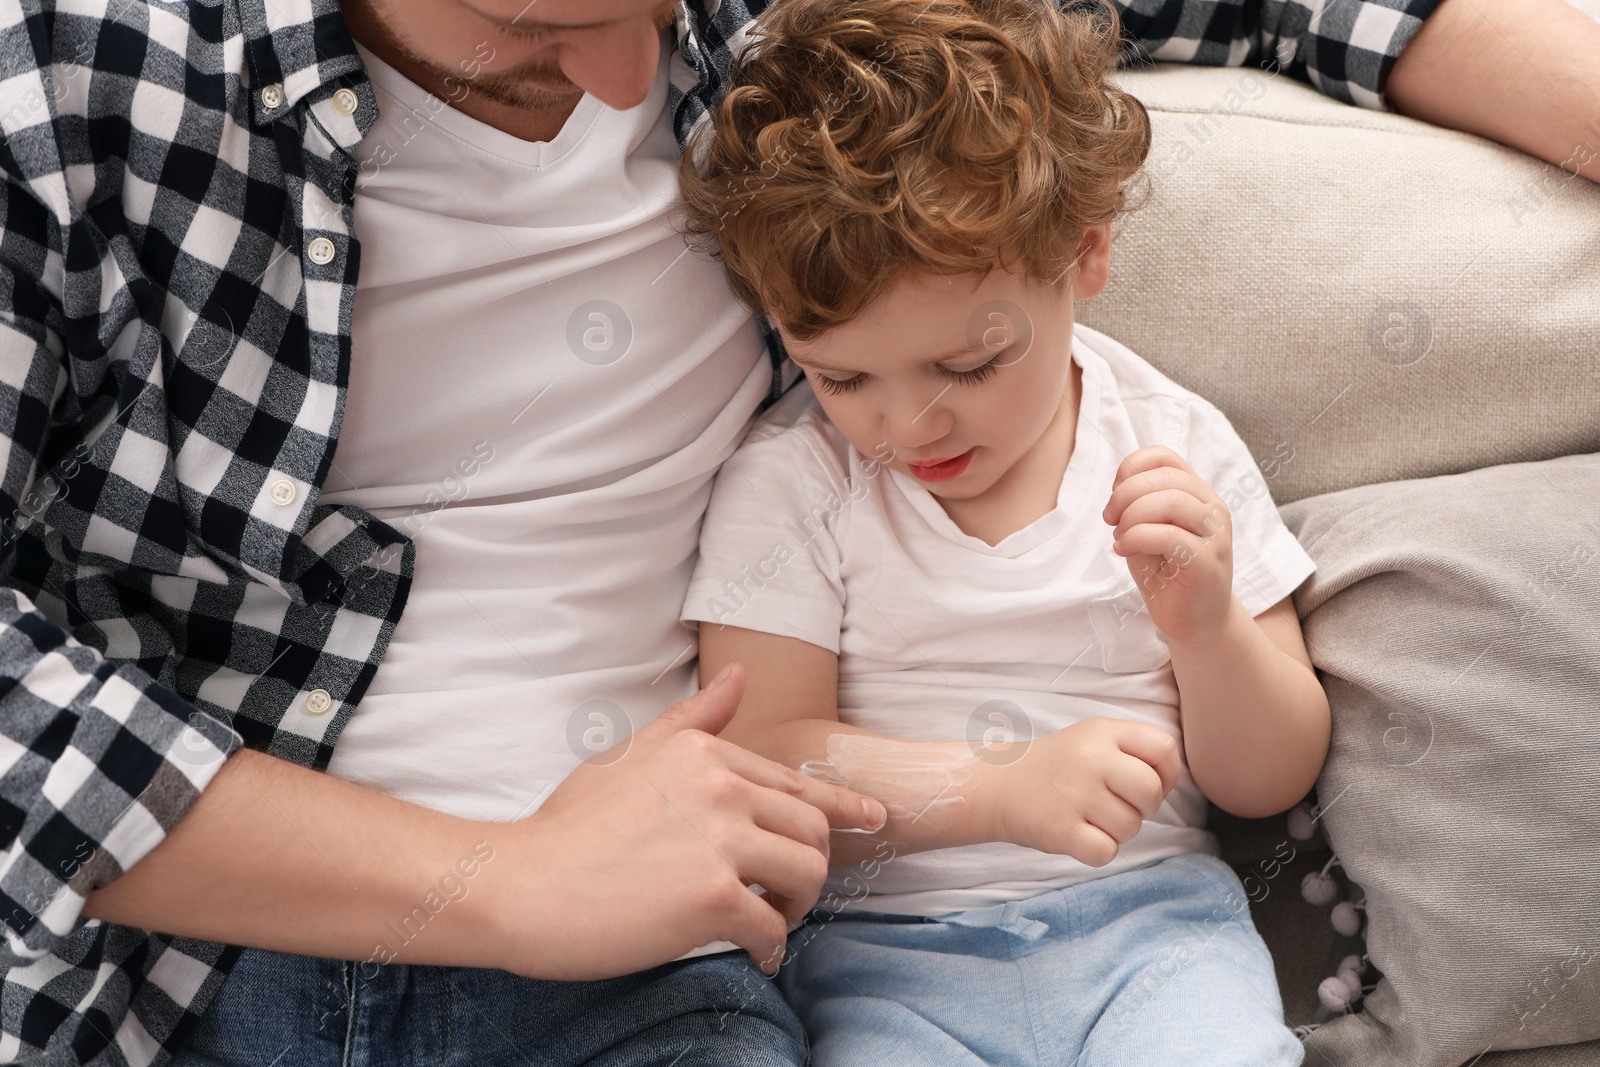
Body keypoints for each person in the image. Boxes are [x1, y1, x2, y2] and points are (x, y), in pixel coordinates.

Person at [0, 0, 1592, 1061]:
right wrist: (492, 879)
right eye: (533, 23)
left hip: (687, 962)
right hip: (217, 954)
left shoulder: (804, 58)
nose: (642, 83)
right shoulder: (72, 83)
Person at [674, 0, 1331, 1061]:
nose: (908, 424)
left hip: (1154, 931)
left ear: (1083, 257)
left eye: (969, 365)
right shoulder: (790, 478)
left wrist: (1208, 631)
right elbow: (759, 757)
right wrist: (995, 788)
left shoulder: (1170, 443)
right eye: (841, 376)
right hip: (882, 962)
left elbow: (1269, 778)